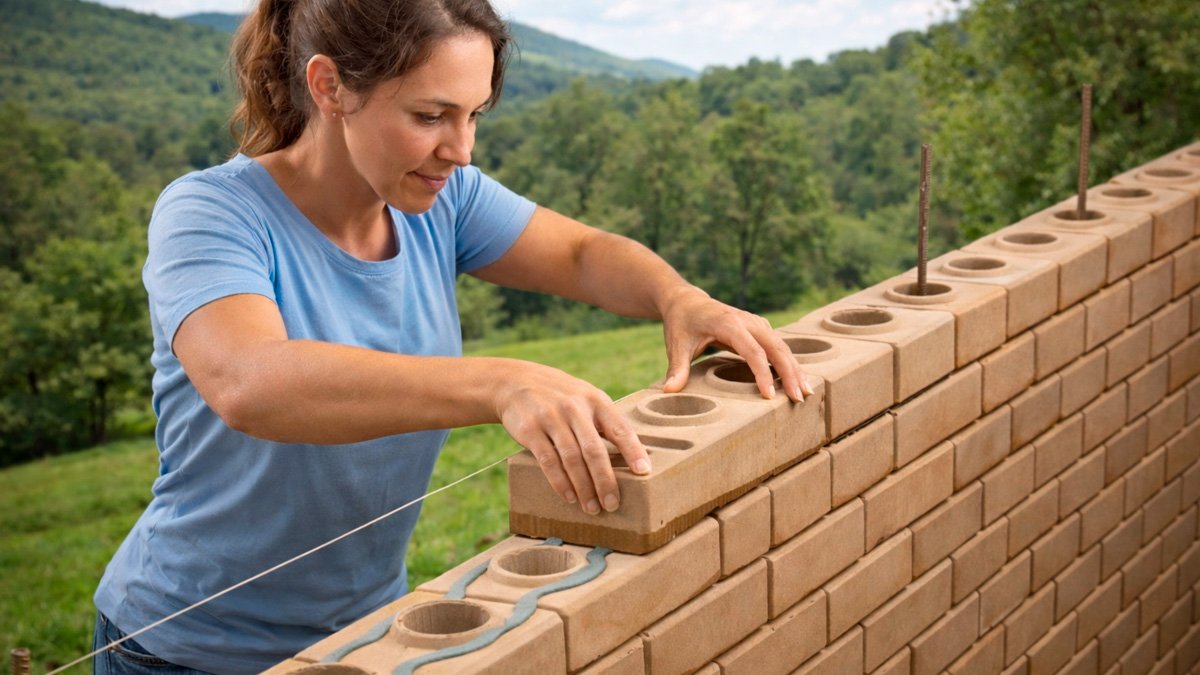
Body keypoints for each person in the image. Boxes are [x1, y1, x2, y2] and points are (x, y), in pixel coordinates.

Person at [92, 0, 811, 672]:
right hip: (183, 648)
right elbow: (251, 382)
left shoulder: (441, 200)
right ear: (330, 85)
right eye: (432, 115)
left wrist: (678, 297)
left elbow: (580, 253)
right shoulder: (210, 213)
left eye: (474, 115)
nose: (461, 150)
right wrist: (499, 382)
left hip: (364, 636)